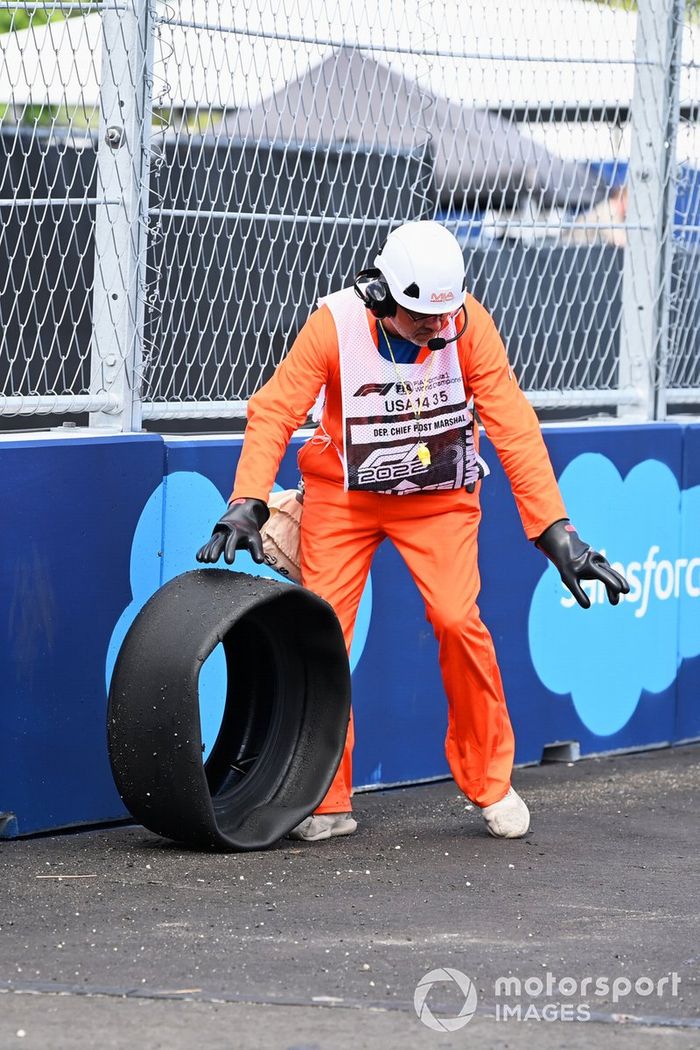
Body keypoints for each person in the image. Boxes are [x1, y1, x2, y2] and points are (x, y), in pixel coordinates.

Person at [196, 221, 629, 842]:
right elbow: (274, 410)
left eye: (446, 313)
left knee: (458, 620)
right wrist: (247, 501)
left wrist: (556, 530)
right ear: (381, 296)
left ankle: (490, 782)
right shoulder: (335, 324)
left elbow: (512, 422)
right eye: (423, 316)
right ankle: (324, 796)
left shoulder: (468, 324)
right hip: (344, 499)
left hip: (440, 498)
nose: (438, 328)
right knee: (323, 634)